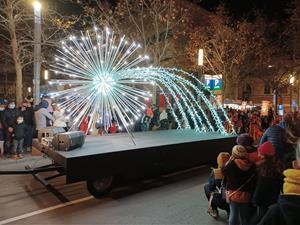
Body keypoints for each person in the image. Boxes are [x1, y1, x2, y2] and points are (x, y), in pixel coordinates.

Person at [258, 139, 300, 225]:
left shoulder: (277, 211)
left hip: (266, 200)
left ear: (295, 164)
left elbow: (261, 187)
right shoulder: (278, 165)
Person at [250, 141, 283, 224]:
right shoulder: (278, 166)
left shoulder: (263, 169)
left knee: (260, 216)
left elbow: (259, 187)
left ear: (266, 156)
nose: (259, 155)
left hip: (262, 200)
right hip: (274, 199)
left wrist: (255, 200)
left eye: (261, 154)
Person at [222, 145, 256, 225]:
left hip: (233, 194)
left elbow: (223, 170)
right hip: (246, 194)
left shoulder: (231, 165)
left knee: (234, 215)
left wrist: (230, 159)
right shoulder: (251, 165)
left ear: (233, 154)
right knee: (245, 215)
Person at [204, 152, 231, 219]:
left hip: (223, 201)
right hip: (235, 198)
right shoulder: (236, 168)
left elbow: (211, 187)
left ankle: (214, 210)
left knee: (206, 187)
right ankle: (229, 212)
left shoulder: (216, 172)